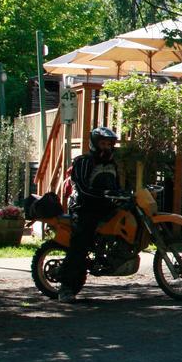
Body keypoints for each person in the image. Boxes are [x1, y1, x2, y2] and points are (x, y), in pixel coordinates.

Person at [59, 127, 122, 303]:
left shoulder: (112, 164)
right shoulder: (84, 161)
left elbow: (116, 186)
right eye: (103, 143)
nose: (106, 147)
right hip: (84, 208)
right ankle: (66, 288)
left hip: (106, 207)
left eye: (109, 144)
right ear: (94, 144)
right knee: (80, 244)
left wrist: (124, 194)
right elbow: (83, 189)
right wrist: (103, 195)